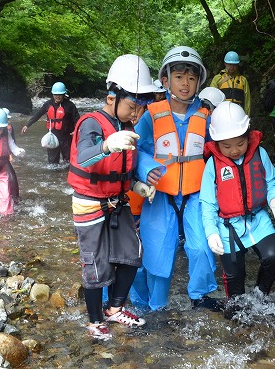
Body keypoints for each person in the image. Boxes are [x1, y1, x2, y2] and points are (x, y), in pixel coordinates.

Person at [66, 54, 154, 341]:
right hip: (90, 203)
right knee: (95, 262)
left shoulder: (126, 127)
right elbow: (84, 156)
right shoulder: (90, 122)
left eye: (141, 108)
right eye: (132, 106)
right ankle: (94, 321)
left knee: (132, 255)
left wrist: (137, 186)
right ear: (111, 96)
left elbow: (122, 169)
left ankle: (114, 309)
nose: (136, 114)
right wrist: (106, 144)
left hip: (118, 201)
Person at [133, 46, 220, 311]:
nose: (185, 83)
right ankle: (154, 307)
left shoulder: (206, 116)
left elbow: (220, 151)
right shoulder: (152, 114)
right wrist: (146, 168)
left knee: (202, 248)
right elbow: (135, 148)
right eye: (179, 76)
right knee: (158, 255)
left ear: (199, 83)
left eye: (191, 78)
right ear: (165, 80)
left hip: (196, 193)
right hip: (160, 193)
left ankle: (199, 297)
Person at [201, 102, 275, 317]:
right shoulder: (213, 166)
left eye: (239, 144)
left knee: (274, 256)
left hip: (258, 219)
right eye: (226, 146)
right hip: (228, 227)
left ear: (248, 137)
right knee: (234, 281)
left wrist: (274, 199)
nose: (234, 150)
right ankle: (237, 320)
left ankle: (259, 295)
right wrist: (211, 233)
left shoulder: (260, 154)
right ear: (216, 142)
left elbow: (272, 181)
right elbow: (208, 204)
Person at [22, 81, 80, 165]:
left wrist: (76, 130)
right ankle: (55, 175)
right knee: (53, 163)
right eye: (56, 94)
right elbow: (38, 115)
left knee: (68, 161)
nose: (57, 97)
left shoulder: (70, 105)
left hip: (66, 137)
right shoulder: (48, 104)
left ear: (63, 94)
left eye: (60, 95)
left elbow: (77, 119)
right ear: (53, 94)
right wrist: (27, 125)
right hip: (52, 136)